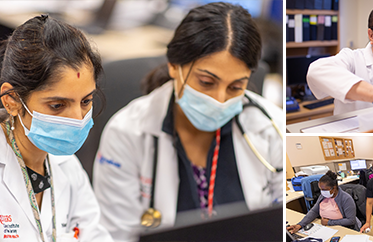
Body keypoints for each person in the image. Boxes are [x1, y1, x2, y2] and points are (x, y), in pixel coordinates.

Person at [92, 3, 284, 241]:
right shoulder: (128, 132)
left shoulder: (271, 127)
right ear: (174, 66)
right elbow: (117, 235)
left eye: (236, 87)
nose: (220, 100)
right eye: (206, 82)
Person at [0, 14, 113, 241]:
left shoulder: (67, 165)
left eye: (86, 101)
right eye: (58, 105)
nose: (77, 118)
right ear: (12, 101)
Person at [287, 171, 361, 233]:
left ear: (334, 188)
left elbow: (351, 221)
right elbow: (314, 211)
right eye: (321, 189)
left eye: (325, 190)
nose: (322, 192)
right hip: (326, 228)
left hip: (343, 229)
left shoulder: (346, 198)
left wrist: (329, 222)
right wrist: (300, 224)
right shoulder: (323, 196)